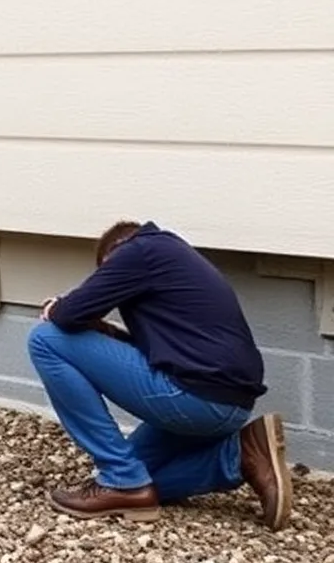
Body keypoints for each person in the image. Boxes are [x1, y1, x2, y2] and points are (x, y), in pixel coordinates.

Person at [26, 220, 292, 530]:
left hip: (195, 397)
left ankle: (122, 478)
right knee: (140, 480)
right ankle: (239, 456)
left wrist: (56, 306)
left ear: (112, 255)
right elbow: (164, 351)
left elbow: (68, 315)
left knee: (44, 338)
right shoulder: (172, 256)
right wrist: (109, 332)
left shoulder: (137, 250)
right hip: (226, 405)